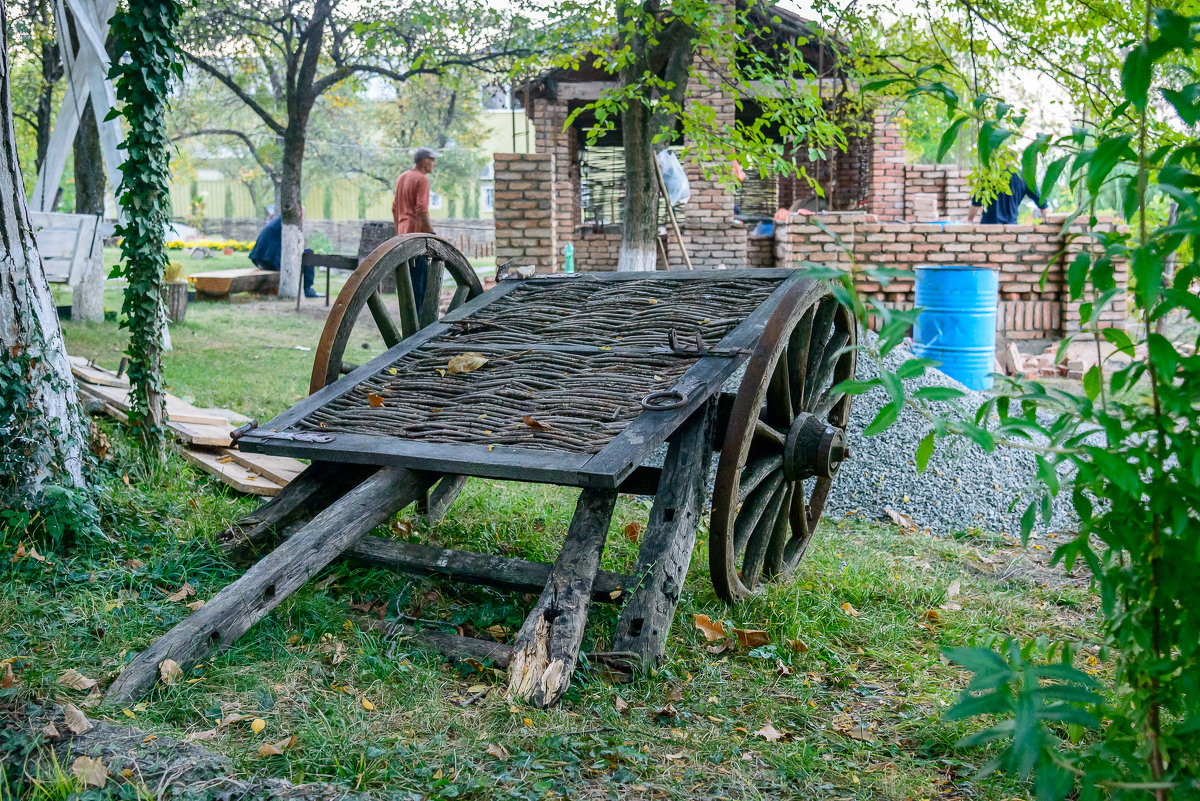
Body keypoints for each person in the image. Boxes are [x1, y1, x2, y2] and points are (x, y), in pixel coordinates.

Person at [392, 147, 439, 310]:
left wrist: (400, 231)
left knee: (410, 283)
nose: (434, 164)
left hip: (404, 235)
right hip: (417, 238)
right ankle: (419, 328)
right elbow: (421, 209)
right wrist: (430, 234)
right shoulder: (422, 179)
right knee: (420, 286)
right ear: (424, 162)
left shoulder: (402, 177)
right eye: (432, 160)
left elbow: (395, 208)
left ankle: (411, 322)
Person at [249, 207, 319, 297]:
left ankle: (305, 287)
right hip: (269, 261)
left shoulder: (280, 221)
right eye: (302, 215)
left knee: (305, 253)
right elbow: (295, 247)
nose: (303, 218)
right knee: (309, 254)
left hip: (261, 259)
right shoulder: (289, 224)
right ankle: (307, 289)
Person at [968, 169, 1048, 224]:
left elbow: (976, 202)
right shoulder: (1023, 177)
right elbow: (1042, 202)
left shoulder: (988, 175)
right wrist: (1046, 221)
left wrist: (970, 220)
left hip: (988, 228)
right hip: (1011, 228)